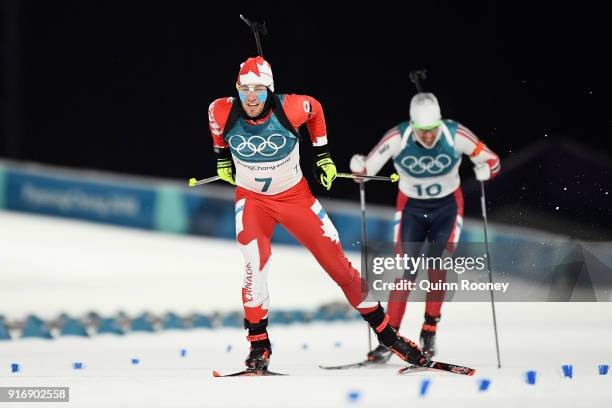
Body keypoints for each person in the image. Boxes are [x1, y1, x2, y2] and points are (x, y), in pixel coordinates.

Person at [207, 56, 426, 371]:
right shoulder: (220, 109)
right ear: (236, 89)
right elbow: (215, 125)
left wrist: (322, 155)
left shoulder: (292, 107)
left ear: (270, 89)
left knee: (339, 267)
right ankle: (259, 346)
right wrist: (221, 156)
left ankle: (388, 335)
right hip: (253, 200)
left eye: (258, 89)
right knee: (255, 265)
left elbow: (316, 109)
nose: (251, 97)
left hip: (296, 198)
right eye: (244, 89)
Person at [350, 92, 500, 362]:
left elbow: (493, 160)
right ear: (412, 126)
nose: (428, 136)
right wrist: (359, 168)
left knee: (438, 266)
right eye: (422, 131)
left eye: (432, 130)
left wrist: (486, 171)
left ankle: (429, 331)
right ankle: (390, 338)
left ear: (439, 123)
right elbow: (366, 171)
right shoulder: (398, 137)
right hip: (411, 210)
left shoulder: (455, 134)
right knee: (405, 271)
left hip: (447, 208)